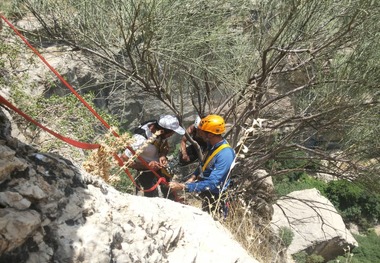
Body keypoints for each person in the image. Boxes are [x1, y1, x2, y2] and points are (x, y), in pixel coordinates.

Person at [169, 114, 236, 215]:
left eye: (201, 131)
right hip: (209, 193)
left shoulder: (225, 154)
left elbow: (213, 183)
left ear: (210, 134)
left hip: (217, 197)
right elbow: (204, 163)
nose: (199, 134)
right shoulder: (212, 146)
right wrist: (193, 177)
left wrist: (183, 186)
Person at [121, 114, 185, 199]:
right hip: (145, 172)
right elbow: (123, 159)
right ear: (163, 131)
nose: (172, 135)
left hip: (160, 169)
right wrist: (147, 166)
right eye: (171, 133)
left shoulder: (158, 128)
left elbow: (164, 144)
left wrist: (162, 155)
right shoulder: (140, 139)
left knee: (168, 195)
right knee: (149, 199)